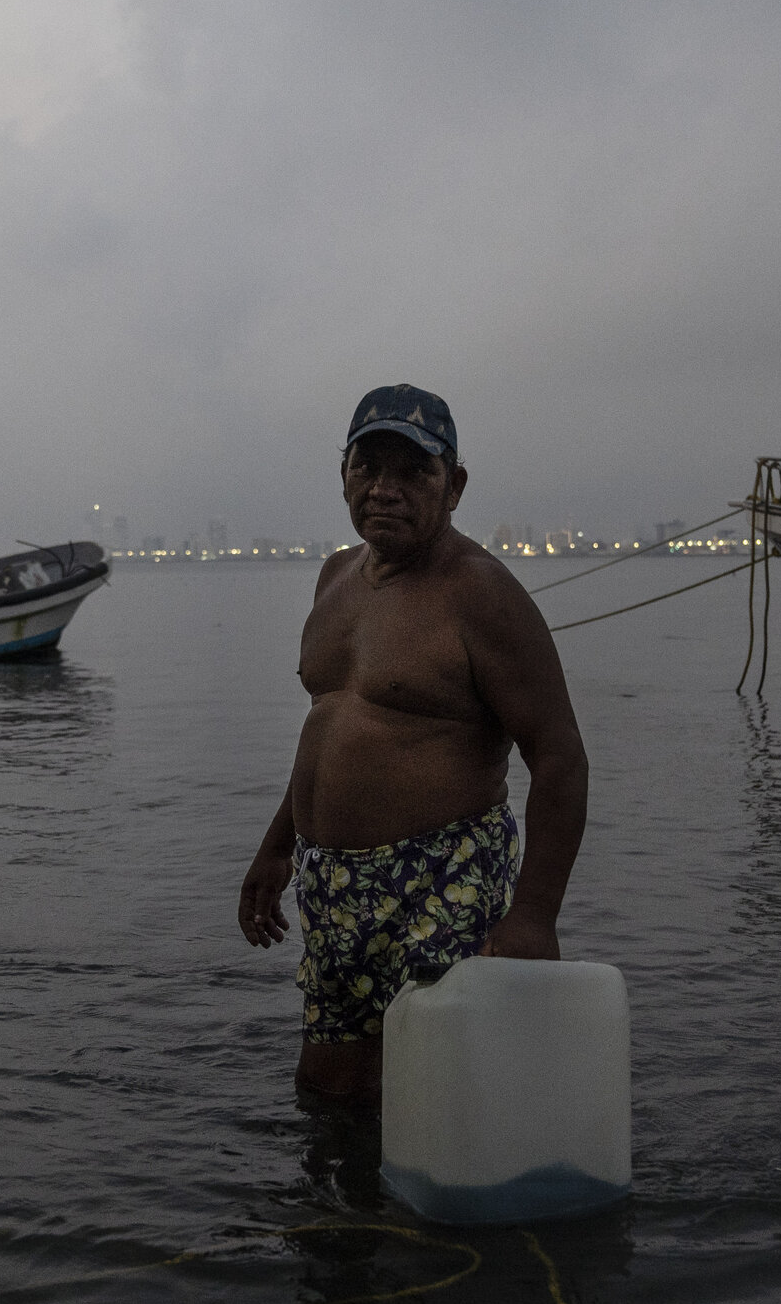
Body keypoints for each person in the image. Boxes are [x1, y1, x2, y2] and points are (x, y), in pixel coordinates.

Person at [237, 384, 589, 1099]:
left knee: (440, 1092)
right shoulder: (335, 577)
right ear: (343, 474)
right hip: (332, 883)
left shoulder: (481, 592)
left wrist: (534, 916)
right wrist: (278, 845)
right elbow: (331, 725)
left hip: (443, 878)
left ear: (453, 485)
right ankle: (344, 1212)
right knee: (330, 1091)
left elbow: (559, 758)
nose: (385, 490)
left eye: (413, 472)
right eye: (368, 468)